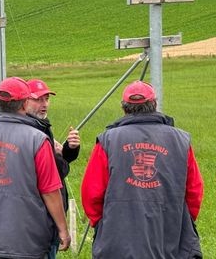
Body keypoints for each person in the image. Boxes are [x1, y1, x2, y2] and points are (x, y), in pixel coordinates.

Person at [81, 80, 204, 258]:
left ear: (124, 108)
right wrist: (182, 221)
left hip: (117, 236)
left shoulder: (108, 140)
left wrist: (103, 224)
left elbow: (91, 192)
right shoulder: (180, 140)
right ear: (154, 105)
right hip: (169, 233)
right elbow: (194, 190)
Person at [0, 77, 71, 258]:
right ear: (25, 104)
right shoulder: (37, 140)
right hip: (29, 241)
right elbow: (50, 191)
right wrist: (62, 229)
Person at [26, 79, 80, 258]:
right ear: (25, 101)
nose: (44, 104)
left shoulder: (41, 126)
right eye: (38, 99)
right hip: (41, 219)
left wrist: (69, 149)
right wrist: (58, 155)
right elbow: (55, 172)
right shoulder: (34, 130)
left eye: (46, 99)